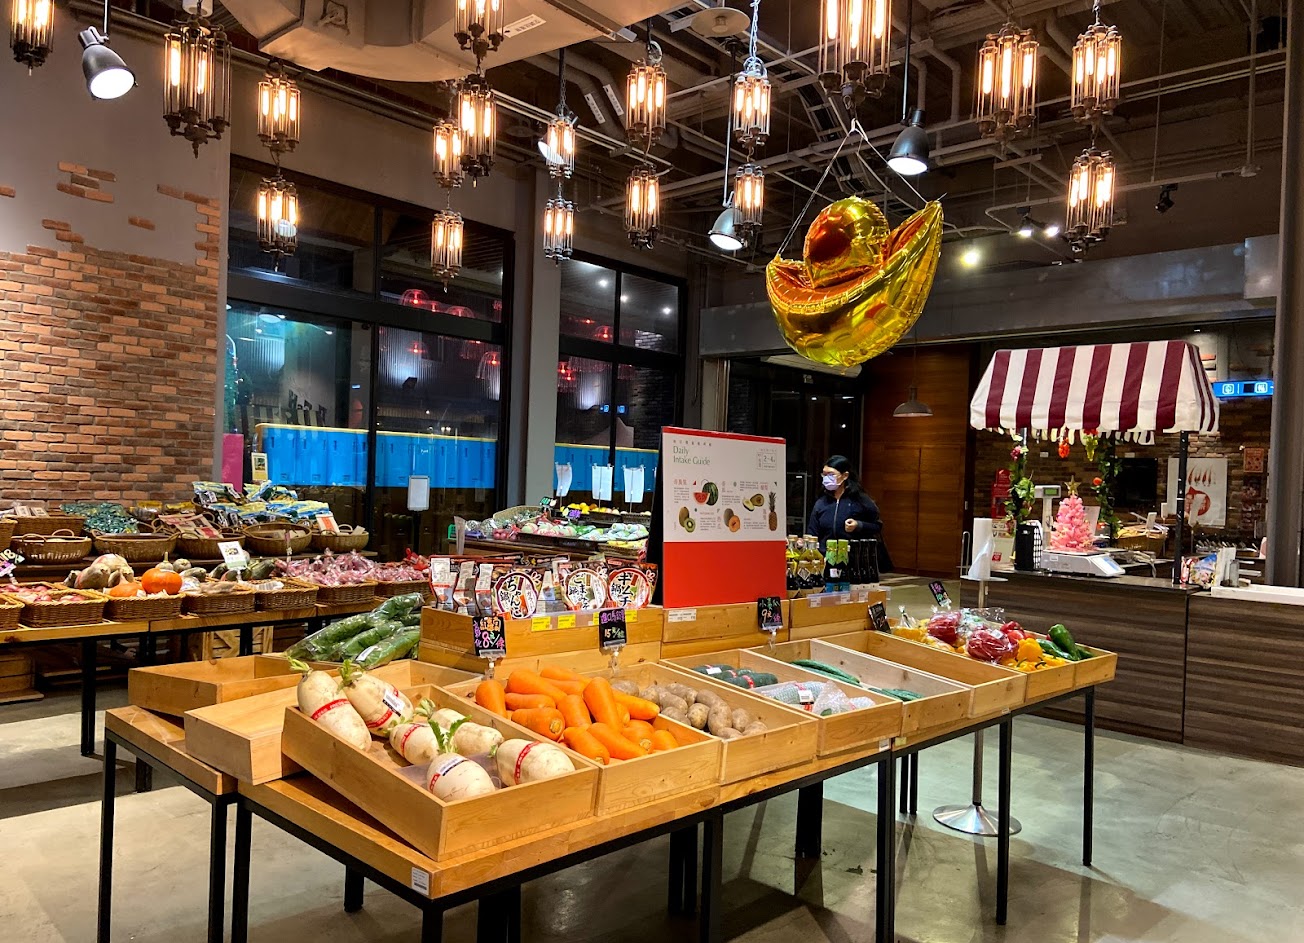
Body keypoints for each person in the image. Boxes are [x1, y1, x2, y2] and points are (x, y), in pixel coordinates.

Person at [807, 455, 893, 572]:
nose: (826, 478)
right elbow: (812, 532)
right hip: (826, 560)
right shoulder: (821, 502)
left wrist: (858, 525)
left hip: (855, 561)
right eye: (824, 474)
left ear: (845, 476)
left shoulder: (860, 500)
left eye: (831, 474)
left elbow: (876, 526)